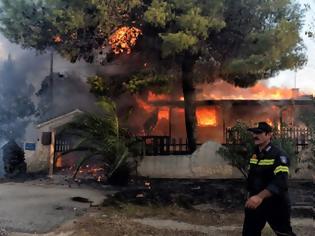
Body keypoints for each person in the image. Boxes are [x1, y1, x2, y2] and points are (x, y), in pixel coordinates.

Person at [242, 122, 296, 236]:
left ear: (269, 135)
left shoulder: (279, 155)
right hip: (255, 203)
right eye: (254, 133)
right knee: (249, 233)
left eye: (259, 133)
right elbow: (253, 177)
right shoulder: (254, 154)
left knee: (284, 233)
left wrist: (259, 196)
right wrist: (250, 195)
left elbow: (281, 181)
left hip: (276, 204)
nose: (255, 135)